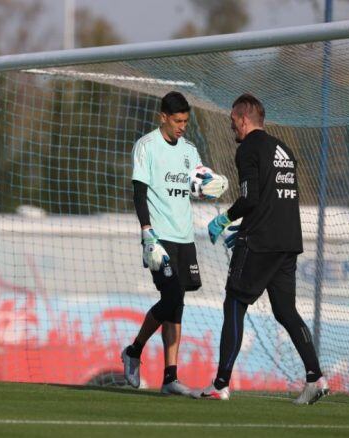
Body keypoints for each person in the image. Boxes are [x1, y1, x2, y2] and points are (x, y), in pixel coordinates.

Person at [194, 93, 329, 404]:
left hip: (261, 242)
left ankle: (220, 384)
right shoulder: (283, 149)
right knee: (285, 311)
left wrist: (227, 220)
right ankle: (315, 377)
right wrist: (245, 226)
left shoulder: (248, 150)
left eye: (232, 124)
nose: (232, 131)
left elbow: (251, 198)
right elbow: (274, 199)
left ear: (243, 119)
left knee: (235, 303)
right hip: (287, 242)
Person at [121, 91, 227, 396]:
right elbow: (138, 193)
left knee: (177, 305)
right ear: (163, 117)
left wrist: (211, 188)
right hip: (159, 237)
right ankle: (134, 351)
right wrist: (146, 233)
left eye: (185, 121)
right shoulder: (146, 146)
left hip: (185, 238)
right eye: (177, 120)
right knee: (170, 299)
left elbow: (197, 188)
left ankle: (169, 378)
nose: (182, 126)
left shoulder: (190, 151)